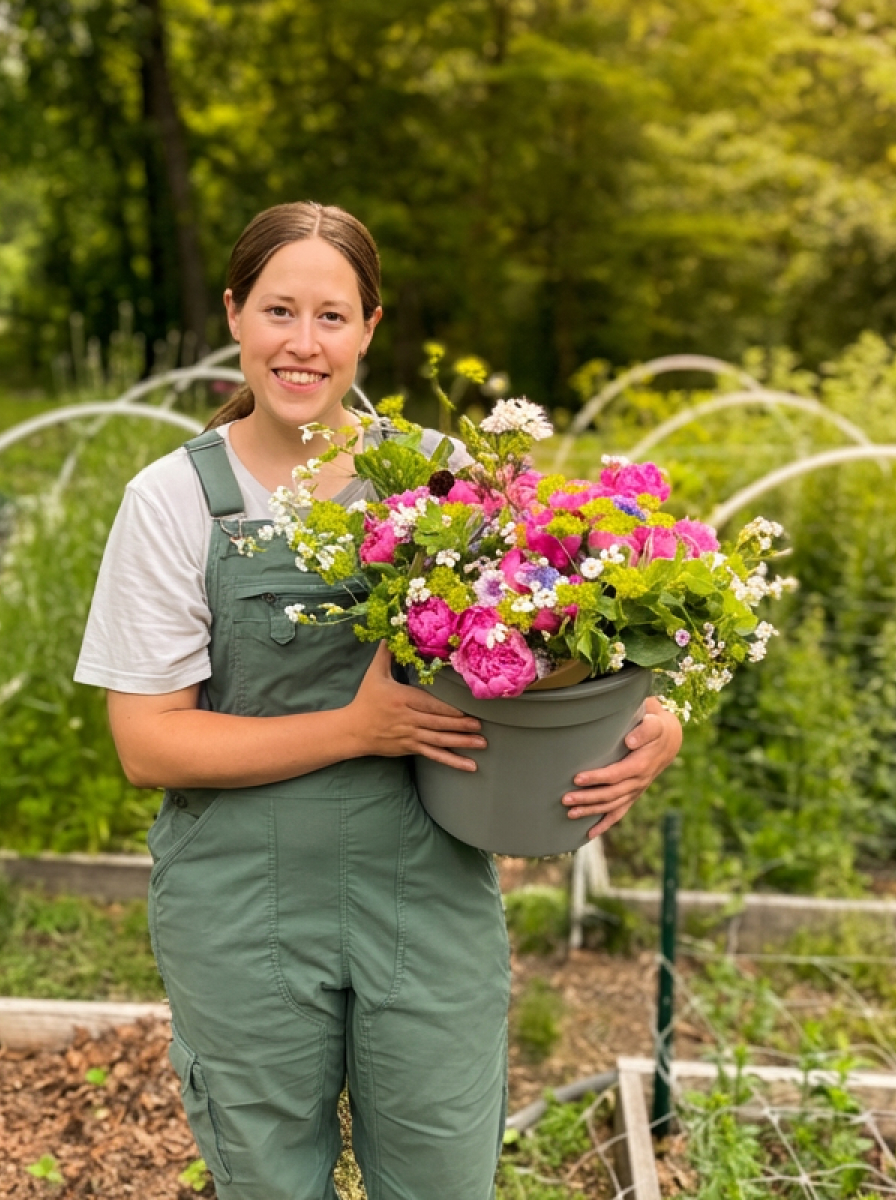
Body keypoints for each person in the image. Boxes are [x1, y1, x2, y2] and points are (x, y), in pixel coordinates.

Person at [75, 201, 682, 1200]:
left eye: (329, 315)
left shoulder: (445, 483)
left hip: (425, 881)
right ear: (233, 316)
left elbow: (572, 643)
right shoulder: (173, 501)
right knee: (268, 1177)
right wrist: (355, 730)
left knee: (442, 1171)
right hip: (239, 899)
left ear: (369, 328)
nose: (301, 344)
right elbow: (148, 743)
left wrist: (651, 722)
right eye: (277, 311)